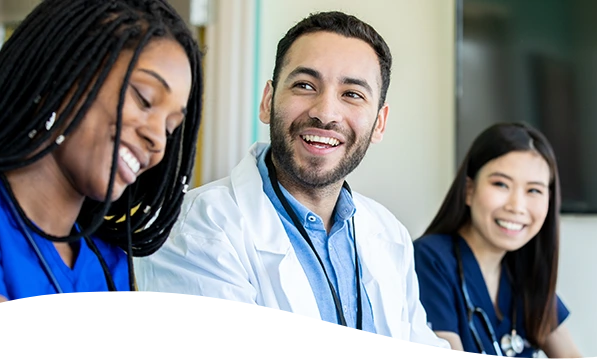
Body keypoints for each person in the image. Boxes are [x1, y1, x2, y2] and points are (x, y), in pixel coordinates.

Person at [134, 11, 450, 351]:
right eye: (305, 85)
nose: (325, 113)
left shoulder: (390, 235)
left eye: (352, 94)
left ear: (379, 122)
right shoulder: (195, 228)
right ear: (268, 101)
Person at [0, 0, 204, 308]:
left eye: (170, 127)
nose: (156, 139)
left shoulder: (109, 266)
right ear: (65, 73)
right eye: (144, 98)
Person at [413, 123, 583, 359]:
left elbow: (571, 356)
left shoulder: (523, 270)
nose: (516, 206)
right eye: (501, 184)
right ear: (469, 190)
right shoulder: (430, 260)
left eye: (534, 190)